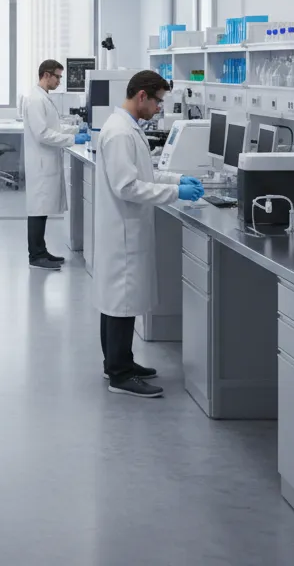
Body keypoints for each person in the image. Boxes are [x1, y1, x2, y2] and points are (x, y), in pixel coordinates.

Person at [92, 70, 204, 398]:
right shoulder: (120, 133)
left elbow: (146, 173)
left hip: (125, 228)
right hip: (123, 230)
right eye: (157, 101)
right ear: (142, 95)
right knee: (121, 302)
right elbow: (128, 186)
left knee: (118, 302)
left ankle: (119, 361)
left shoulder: (127, 128)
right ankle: (119, 374)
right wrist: (175, 194)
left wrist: (177, 180)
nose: (159, 108)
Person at [22, 58, 87, 270]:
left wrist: (77, 131)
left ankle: (42, 251)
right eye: (57, 76)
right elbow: (42, 134)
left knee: (42, 209)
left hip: (46, 161)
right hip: (41, 163)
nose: (60, 81)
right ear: (46, 74)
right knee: (38, 209)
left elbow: (54, 127)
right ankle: (36, 256)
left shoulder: (43, 98)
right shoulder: (35, 100)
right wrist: (71, 140)